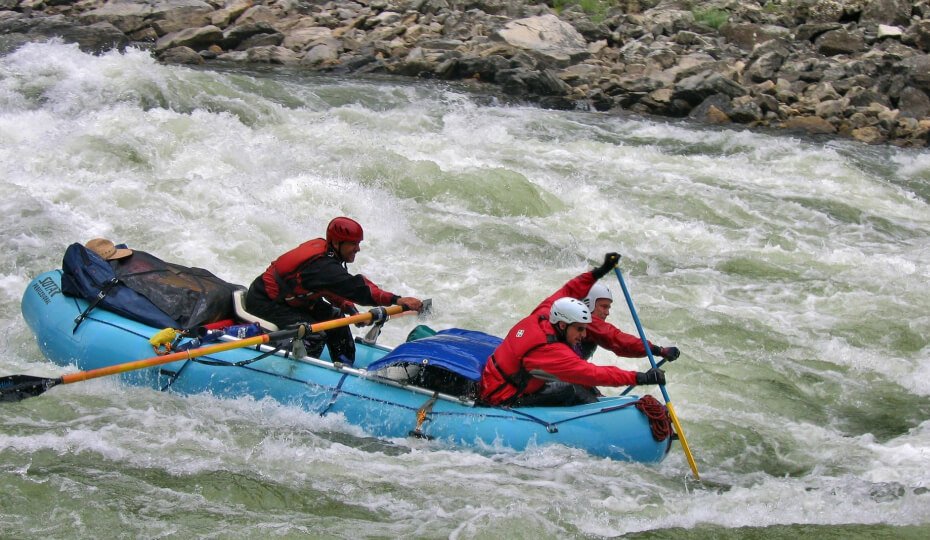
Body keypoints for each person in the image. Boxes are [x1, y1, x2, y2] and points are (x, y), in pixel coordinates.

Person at [477, 253, 668, 407]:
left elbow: (570, 289)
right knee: (569, 389)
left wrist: (600, 271)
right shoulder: (551, 350)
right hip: (502, 397)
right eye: (579, 329)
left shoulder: (544, 314)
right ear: (562, 325)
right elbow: (593, 373)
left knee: (574, 385)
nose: (583, 335)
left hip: (494, 378)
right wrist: (640, 378)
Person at [245, 217, 423, 364]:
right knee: (313, 334)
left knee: (337, 317)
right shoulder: (323, 266)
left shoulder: (327, 256)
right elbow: (359, 289)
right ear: (337, 243)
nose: (358, 249)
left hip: (292, 301)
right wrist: (397, 299)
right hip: (265, 301)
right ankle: (297, 373)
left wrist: (350, 309)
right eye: (353, 244)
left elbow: (329, 288)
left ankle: (345, 365)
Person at [579, 281, 680, 363]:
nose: (607, 313)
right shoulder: (585, 320)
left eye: (608, 308)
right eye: (604, 307)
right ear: (588, 303)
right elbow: (616, 339)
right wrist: (658, 350)